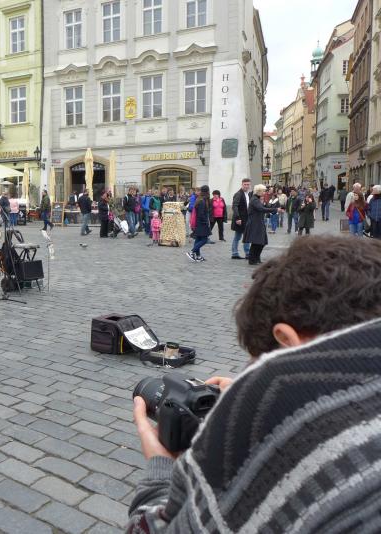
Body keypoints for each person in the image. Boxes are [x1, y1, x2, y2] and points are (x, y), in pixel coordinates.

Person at [129, 235, 381, 534]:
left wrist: (161, 469)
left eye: (259, 362)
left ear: (286, 340)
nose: (254, 371)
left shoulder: (299, 435)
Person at [244, 183, 280, 265]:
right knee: (256, 242)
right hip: (255, 224)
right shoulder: (254, 200)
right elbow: (261, 209)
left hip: (259, 223)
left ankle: (256, 258)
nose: (265, 192)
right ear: (259, 191)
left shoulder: (258, 199)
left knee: (261, 242)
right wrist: (275, 209)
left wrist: (273, 208)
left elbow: (264, 207)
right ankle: (252, 260)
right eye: (263, 191)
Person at [187, 185, 212, 262]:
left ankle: (198, 256)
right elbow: (201, 214)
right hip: (201, 224)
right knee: (204, 240)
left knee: (198, 239)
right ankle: (192, 252)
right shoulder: (202, 201)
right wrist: (206, 222)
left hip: (199, 223)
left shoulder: (200, 199)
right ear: (207, 191)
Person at [230, 178, 251, 259]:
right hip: (240, 220)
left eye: (248, 184)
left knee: (245, 236)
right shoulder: (238, 194)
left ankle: (245, 253)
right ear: (242, 185)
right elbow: (234, 206)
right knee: (238, 237)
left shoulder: (248, 194)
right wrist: (238, 218)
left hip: (246, 219)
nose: (246, 186)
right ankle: (237, 253)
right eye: (245, 184)